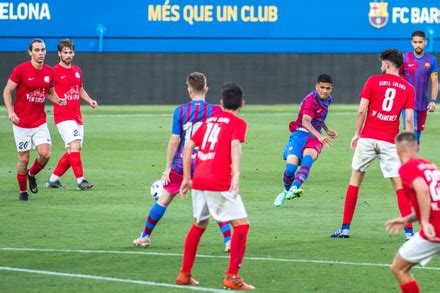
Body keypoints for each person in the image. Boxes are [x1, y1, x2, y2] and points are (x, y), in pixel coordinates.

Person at [133, 72, 232, 252]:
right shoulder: (217, 110)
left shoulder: (180, 110)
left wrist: (167, 168)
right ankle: (228, 241)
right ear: (206, 88)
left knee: (164, 198)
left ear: (189, 90)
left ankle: (145, 236)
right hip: (205, 163)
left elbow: (174, 139)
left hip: (182, 163)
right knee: (215, 201)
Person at [176, 83, 254, 290]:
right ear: (242, 104)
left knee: (199, 225)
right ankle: (232, 277)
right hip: (218, 181)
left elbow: (188, 146)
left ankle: (184, 274)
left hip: (199, 179)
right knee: (242, 225)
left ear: (221, 103)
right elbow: (235, 147)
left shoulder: (209, 121)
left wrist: (186, 177)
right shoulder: (238, 123)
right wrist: (236, 175)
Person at [331, 49, 415, 240]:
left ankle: (345, 228)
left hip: (368, 137)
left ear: (386, 64)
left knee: (355, 181)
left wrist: (356, 134)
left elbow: (362, 110)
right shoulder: (408, 88)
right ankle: (409, 232)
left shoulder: (373, 81)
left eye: (381, 63)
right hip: (389, 141)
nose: (380, 66)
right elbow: (409, 119)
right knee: (399, 186)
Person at [3, 38, 66, 201]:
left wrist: (58, 100)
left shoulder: (49, 72)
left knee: (45, 154)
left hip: (39, 122)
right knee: (24, 159)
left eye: (43, 50)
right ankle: (23, 191)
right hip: (21, 122)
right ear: (30, 52)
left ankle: (32, 174)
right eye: (37, 50)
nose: (40, 53)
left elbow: (50, 92)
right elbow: (7, 91)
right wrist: (10, 112)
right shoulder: (21, 70)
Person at [386, 132, 440, 293]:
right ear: (417, 147)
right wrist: (407, 219)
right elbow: (433, 201)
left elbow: (422, 189)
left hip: (434, 230)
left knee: (399, 268)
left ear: (397, 151)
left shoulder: (406, 169)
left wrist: (423, 222)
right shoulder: (431, 166)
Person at [274, 74, 337, 207]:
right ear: (316, 86)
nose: (325, 91)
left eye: (328, 88)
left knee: (308, 158)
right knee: (291, 169)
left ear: (331, 89)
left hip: (313, 138)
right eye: (322, 87)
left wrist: (326, 130)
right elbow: (306, 121)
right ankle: (286, 190)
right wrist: (320, 136)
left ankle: (294, 188)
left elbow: (319, 116)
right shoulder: (310, 100)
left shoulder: (328, 99)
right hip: (299, 134)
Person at [46, 39, 97, 190]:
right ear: (59, 54)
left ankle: (53, 180)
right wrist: (56, 99)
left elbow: (80, 89)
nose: (68, 55)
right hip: (62, 115)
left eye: (70, 52)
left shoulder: (77, 70)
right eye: (65, 52)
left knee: (73, 150)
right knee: (75, 146)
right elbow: (47, 91)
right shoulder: (54, 71)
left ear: (73, 53)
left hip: (76, 115)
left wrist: (89, 100)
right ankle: (81, 181)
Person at [400, 30, 438, 145]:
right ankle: (408, 160)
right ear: (412, 43)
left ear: (425, 42)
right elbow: (396, 76)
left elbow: (435, 81)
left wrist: (432, 100)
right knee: (412, 133)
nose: (417, 44)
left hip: (423, 103)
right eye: (415, 42)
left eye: (420, 42)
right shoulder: (404, 58)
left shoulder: (431, 60)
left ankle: (412, 159)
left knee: (417, 136)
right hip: (407, 103)